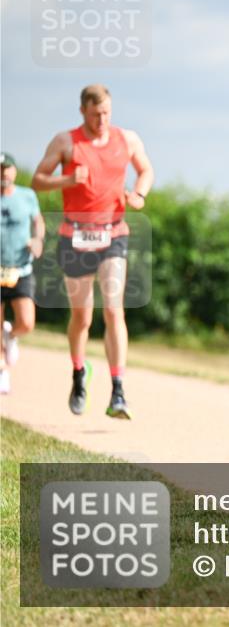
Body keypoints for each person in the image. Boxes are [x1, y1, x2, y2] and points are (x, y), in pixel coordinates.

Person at [32, 84, 154, 420]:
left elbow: (146, 170)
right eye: (96, 114)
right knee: (82, 317)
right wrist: (67, 180)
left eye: (106, 113)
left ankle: (118, 391)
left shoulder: (127, 139)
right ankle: (78, 373)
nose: (102, 120)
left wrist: (139, 195)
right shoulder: (65, 142)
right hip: (75, 237)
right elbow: (38, 180)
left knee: (114, 310)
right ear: (83, 111)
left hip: (113, 234)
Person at [1, 152, 45, 394]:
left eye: (6, 168)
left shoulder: (27, 196)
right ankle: (2, 372)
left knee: (27, 322)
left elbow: (38, 222)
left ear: (14, 171)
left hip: (20, 269)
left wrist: (37, 239)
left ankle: (12, 335)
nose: (3, 173)